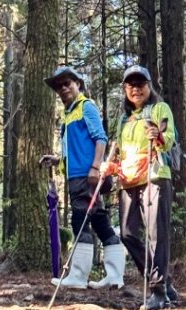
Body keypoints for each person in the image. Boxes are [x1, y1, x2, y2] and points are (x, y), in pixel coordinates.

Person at [41, 65, 125, 289]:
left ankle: (78, 276)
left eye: (67, 83)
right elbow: (78, 148)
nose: (63, 88)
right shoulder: (69, 114)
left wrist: (96, 167)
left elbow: (101, 138)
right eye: (59, 86)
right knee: (99, 221)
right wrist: (58, 161)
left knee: (79, 220)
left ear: (78, 84)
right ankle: (115, 277)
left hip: (85, 176)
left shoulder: (86, 106)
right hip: (78, 174)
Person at [103, 65, 178, 310]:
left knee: (156, 234)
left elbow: (168, 141)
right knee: (127, 233)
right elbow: (120, 152)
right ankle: (162, 281)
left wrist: (157, 135)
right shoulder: (124, 119)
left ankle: (158, 291)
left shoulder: (159, 108)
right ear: (125, 89)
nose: (136, 89)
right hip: (129, 181)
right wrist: (110, 167)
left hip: (154, 177)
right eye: (130, 85)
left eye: (140, 84)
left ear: (149, 86)